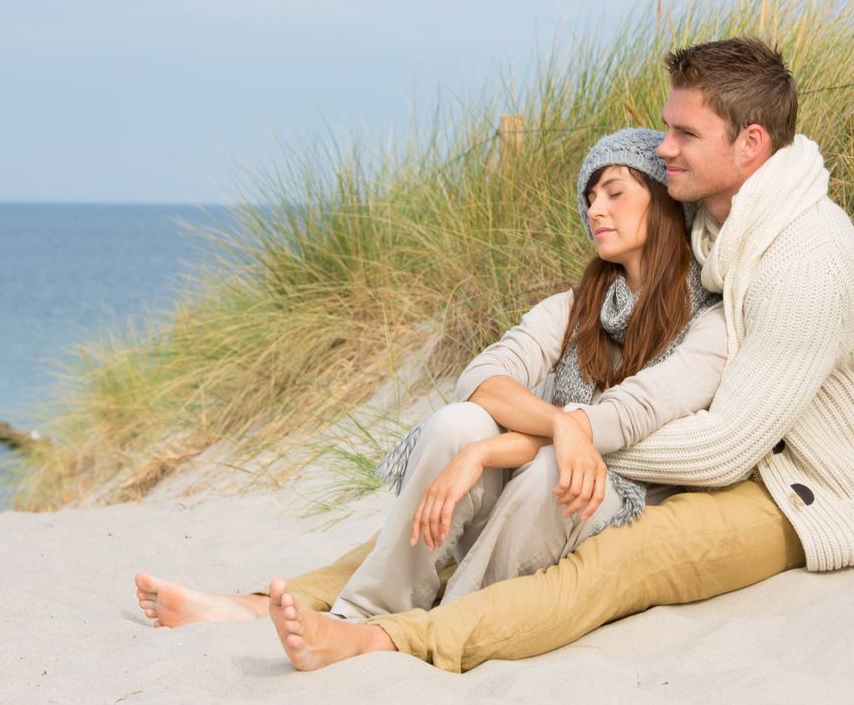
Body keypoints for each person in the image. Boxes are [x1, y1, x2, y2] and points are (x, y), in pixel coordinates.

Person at [141, 37, 854, 673]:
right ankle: (270, 604)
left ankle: (396, 640)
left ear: (750, 145)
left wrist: (544, 438)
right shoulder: (721, 228)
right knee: (456, 496)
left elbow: (726, 441)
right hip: (733, 445)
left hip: (809, 489)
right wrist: (539, 437)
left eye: (684, 134)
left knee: (615, 558)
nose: (666, 148)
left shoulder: (806, 259)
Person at [134, 128, 729, 646]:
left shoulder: (708, 321)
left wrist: (506, 448)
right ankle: (360, 613)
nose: (596, 208)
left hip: (617, 496)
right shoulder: (575, 307)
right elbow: (481, 378)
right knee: (456, 423)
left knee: (555, 475)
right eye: (590, 196)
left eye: (615, 192)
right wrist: (544, 430)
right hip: (543, 459)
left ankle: (428, 629)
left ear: (663, 203)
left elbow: (628, 418)